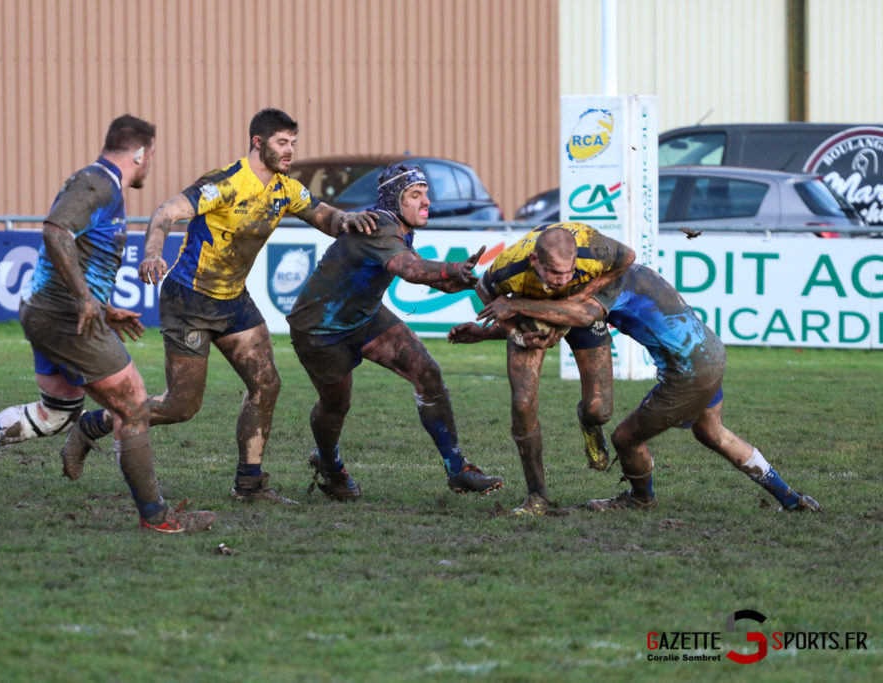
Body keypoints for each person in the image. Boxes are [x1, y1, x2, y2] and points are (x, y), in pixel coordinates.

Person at [60, 108, 377, 504]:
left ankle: (249, 485)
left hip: (233, 302)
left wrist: (353, 220)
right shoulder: (223, 184)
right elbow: (165, 213)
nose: (290, 151)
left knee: (266, 384)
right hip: (189, 300)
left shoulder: (285, 189)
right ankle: (91, 426)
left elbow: (325, 217)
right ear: (258, 143)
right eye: (282, 143)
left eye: (294, 143)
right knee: (181, 406)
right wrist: (153, 254)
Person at [0, 114, 215, 534]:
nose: (151, 163)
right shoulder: (97, 183)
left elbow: (79, 252)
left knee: (55, 414)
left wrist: (104, 305)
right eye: (151, 154)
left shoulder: (103, 185)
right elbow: (56, 231)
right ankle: (158, 517)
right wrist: (84, 299)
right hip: (65, 316)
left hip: (51, 311)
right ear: (139, 153)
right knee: (133, 403)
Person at [475, 232, 822, 514]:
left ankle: (641, 499)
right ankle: (791, 499)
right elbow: (565, 320)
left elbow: (580, 317)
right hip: (711, 353)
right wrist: (486, 332)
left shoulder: (614, 283)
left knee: (625, 439)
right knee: (713, 433)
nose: (568, 281)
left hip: (686, 373)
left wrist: (516, 304)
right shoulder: (628, 273)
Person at [287, 163, 503, 500]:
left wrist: (456, 280)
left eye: (426, 193)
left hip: (365, 317)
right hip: (320, 330)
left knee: (427, 372)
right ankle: (329, 463)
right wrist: (449, 270)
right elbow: (408, 269)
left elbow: (416, 266)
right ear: (394, 201)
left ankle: (457, 468)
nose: (426, 201)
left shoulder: (397, 227)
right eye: (415, 195)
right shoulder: (379, 225)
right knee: (335, 406)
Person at [448, 223, 635, 515]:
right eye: (553, 273)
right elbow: (485, 290)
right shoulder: (511, 265)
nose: (561, 280)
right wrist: (515, 333)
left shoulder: (594, 249)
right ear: (535, 262)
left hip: (579, 313)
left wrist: (583, 294)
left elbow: (628, 258)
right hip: (530, 313)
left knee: (600, 410)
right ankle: (537, 496)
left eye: (567, 272)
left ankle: (587, 421)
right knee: (522, 404)